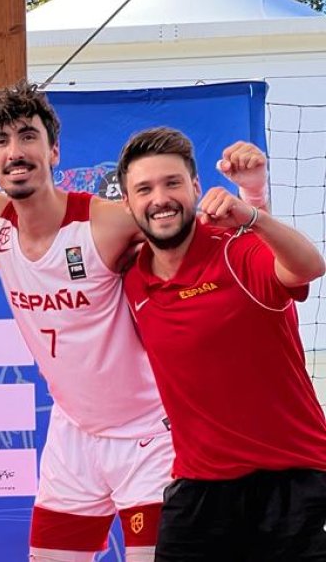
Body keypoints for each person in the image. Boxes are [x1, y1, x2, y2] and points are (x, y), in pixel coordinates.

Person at [0, 65, 268, 562]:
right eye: (1, 141)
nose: (16, 151)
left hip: (148, 434)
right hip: (73, 433)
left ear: (53, 151)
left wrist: (253, 194)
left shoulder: (107, 223)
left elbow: (227, 250)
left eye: (29, 136)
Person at [117, 127, 326, 561]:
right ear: (127, 203)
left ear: (195, 188)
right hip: (199, 492)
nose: (160, 198)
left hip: (292, 481)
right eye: (144, 189)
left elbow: (309, 267)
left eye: (172, 183)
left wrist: (254, 211)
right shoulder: (132, 276)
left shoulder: (236, 246)